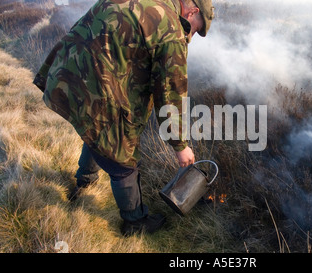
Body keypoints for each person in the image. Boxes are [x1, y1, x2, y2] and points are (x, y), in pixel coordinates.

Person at [33, 0, 214, 236]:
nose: (192, 35)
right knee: (123, 159)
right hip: (94, 86)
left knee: (99, 132)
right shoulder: (171, 29)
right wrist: (180, 145)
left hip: (67, 70)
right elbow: (169, 94)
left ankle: (85, 181)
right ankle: (135, 221)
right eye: (196, 28)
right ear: (193, 11)